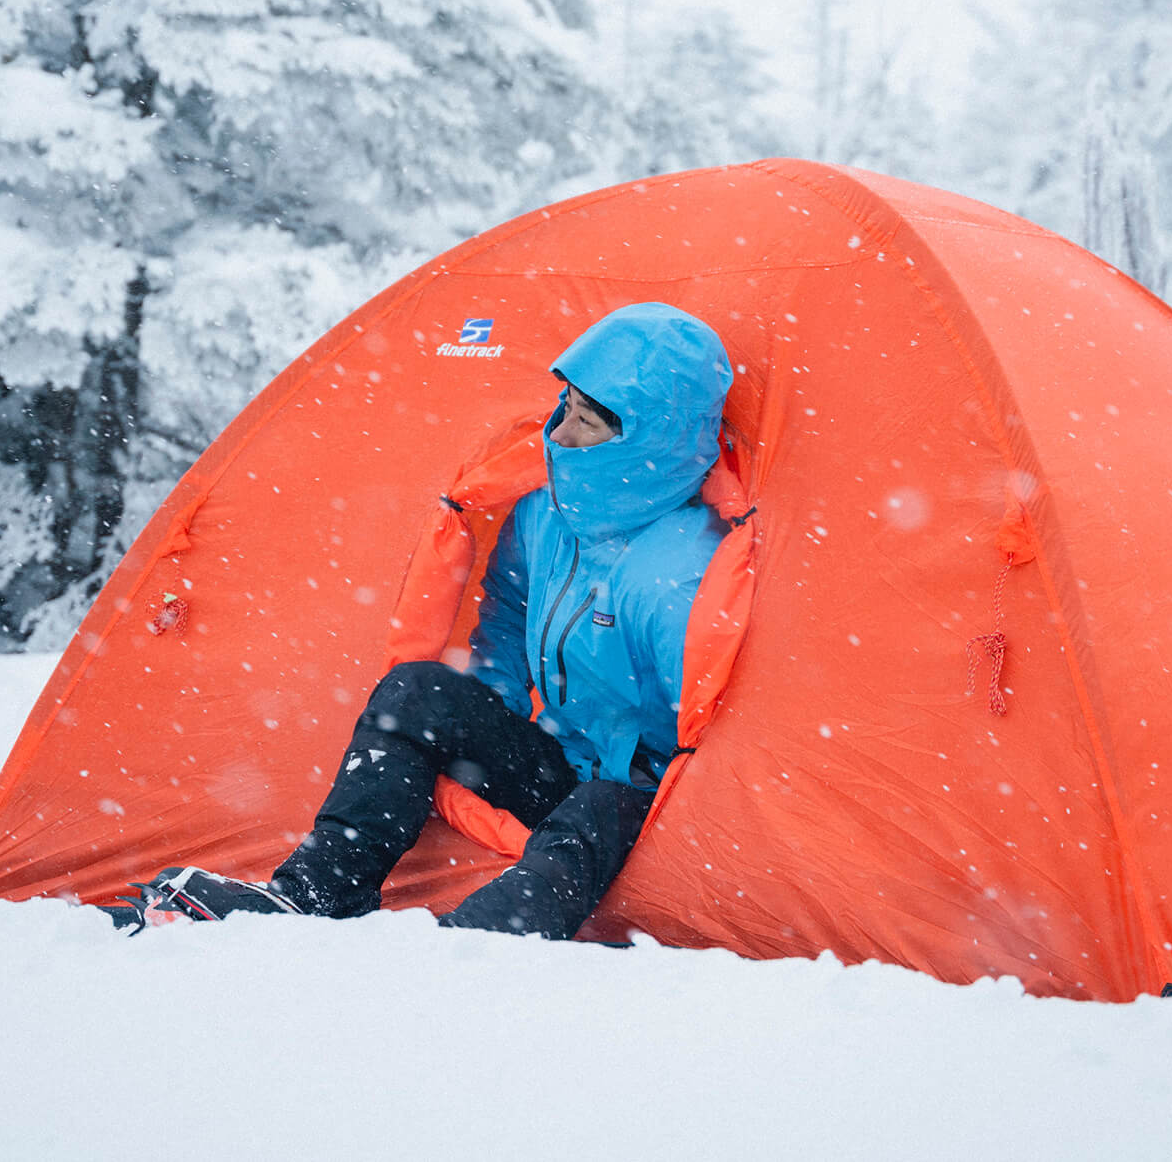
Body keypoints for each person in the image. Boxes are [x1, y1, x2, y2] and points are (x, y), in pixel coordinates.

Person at [133, 302, 733, 939]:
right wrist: (492, 721)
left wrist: (631, 788)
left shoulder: (677, 575)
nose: (558, 435)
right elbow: (507, 612)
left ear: (646, 442)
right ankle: (315, 890)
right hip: (557, 760)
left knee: (600, 807)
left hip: (640, 802)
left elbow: (701, 745)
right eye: (566, 409)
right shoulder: (545, 513)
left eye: (586, 423)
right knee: (417, 692)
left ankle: (472, 946)